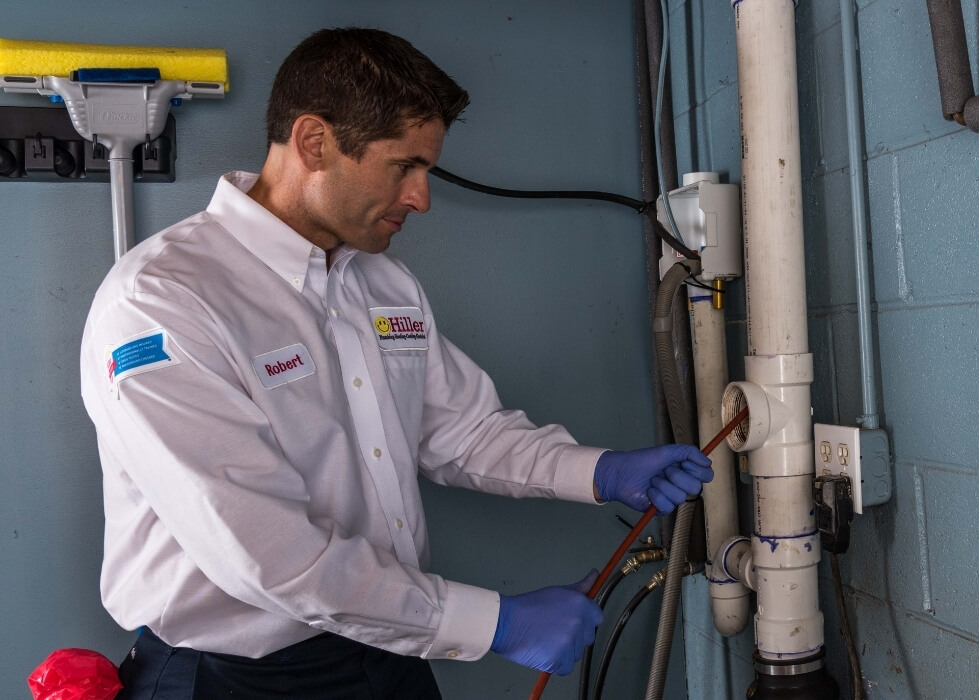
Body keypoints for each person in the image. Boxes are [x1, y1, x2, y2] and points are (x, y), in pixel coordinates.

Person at [78, 27, 713, 699]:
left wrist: (600, 472)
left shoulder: (382, 285)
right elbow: (268, 555)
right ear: (314, 142)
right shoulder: (164, 302)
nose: (421, 197)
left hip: (384, 651)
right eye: (403, 167)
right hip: (235, 677)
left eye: (426, 171)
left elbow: (460, 431)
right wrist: (495, 623)